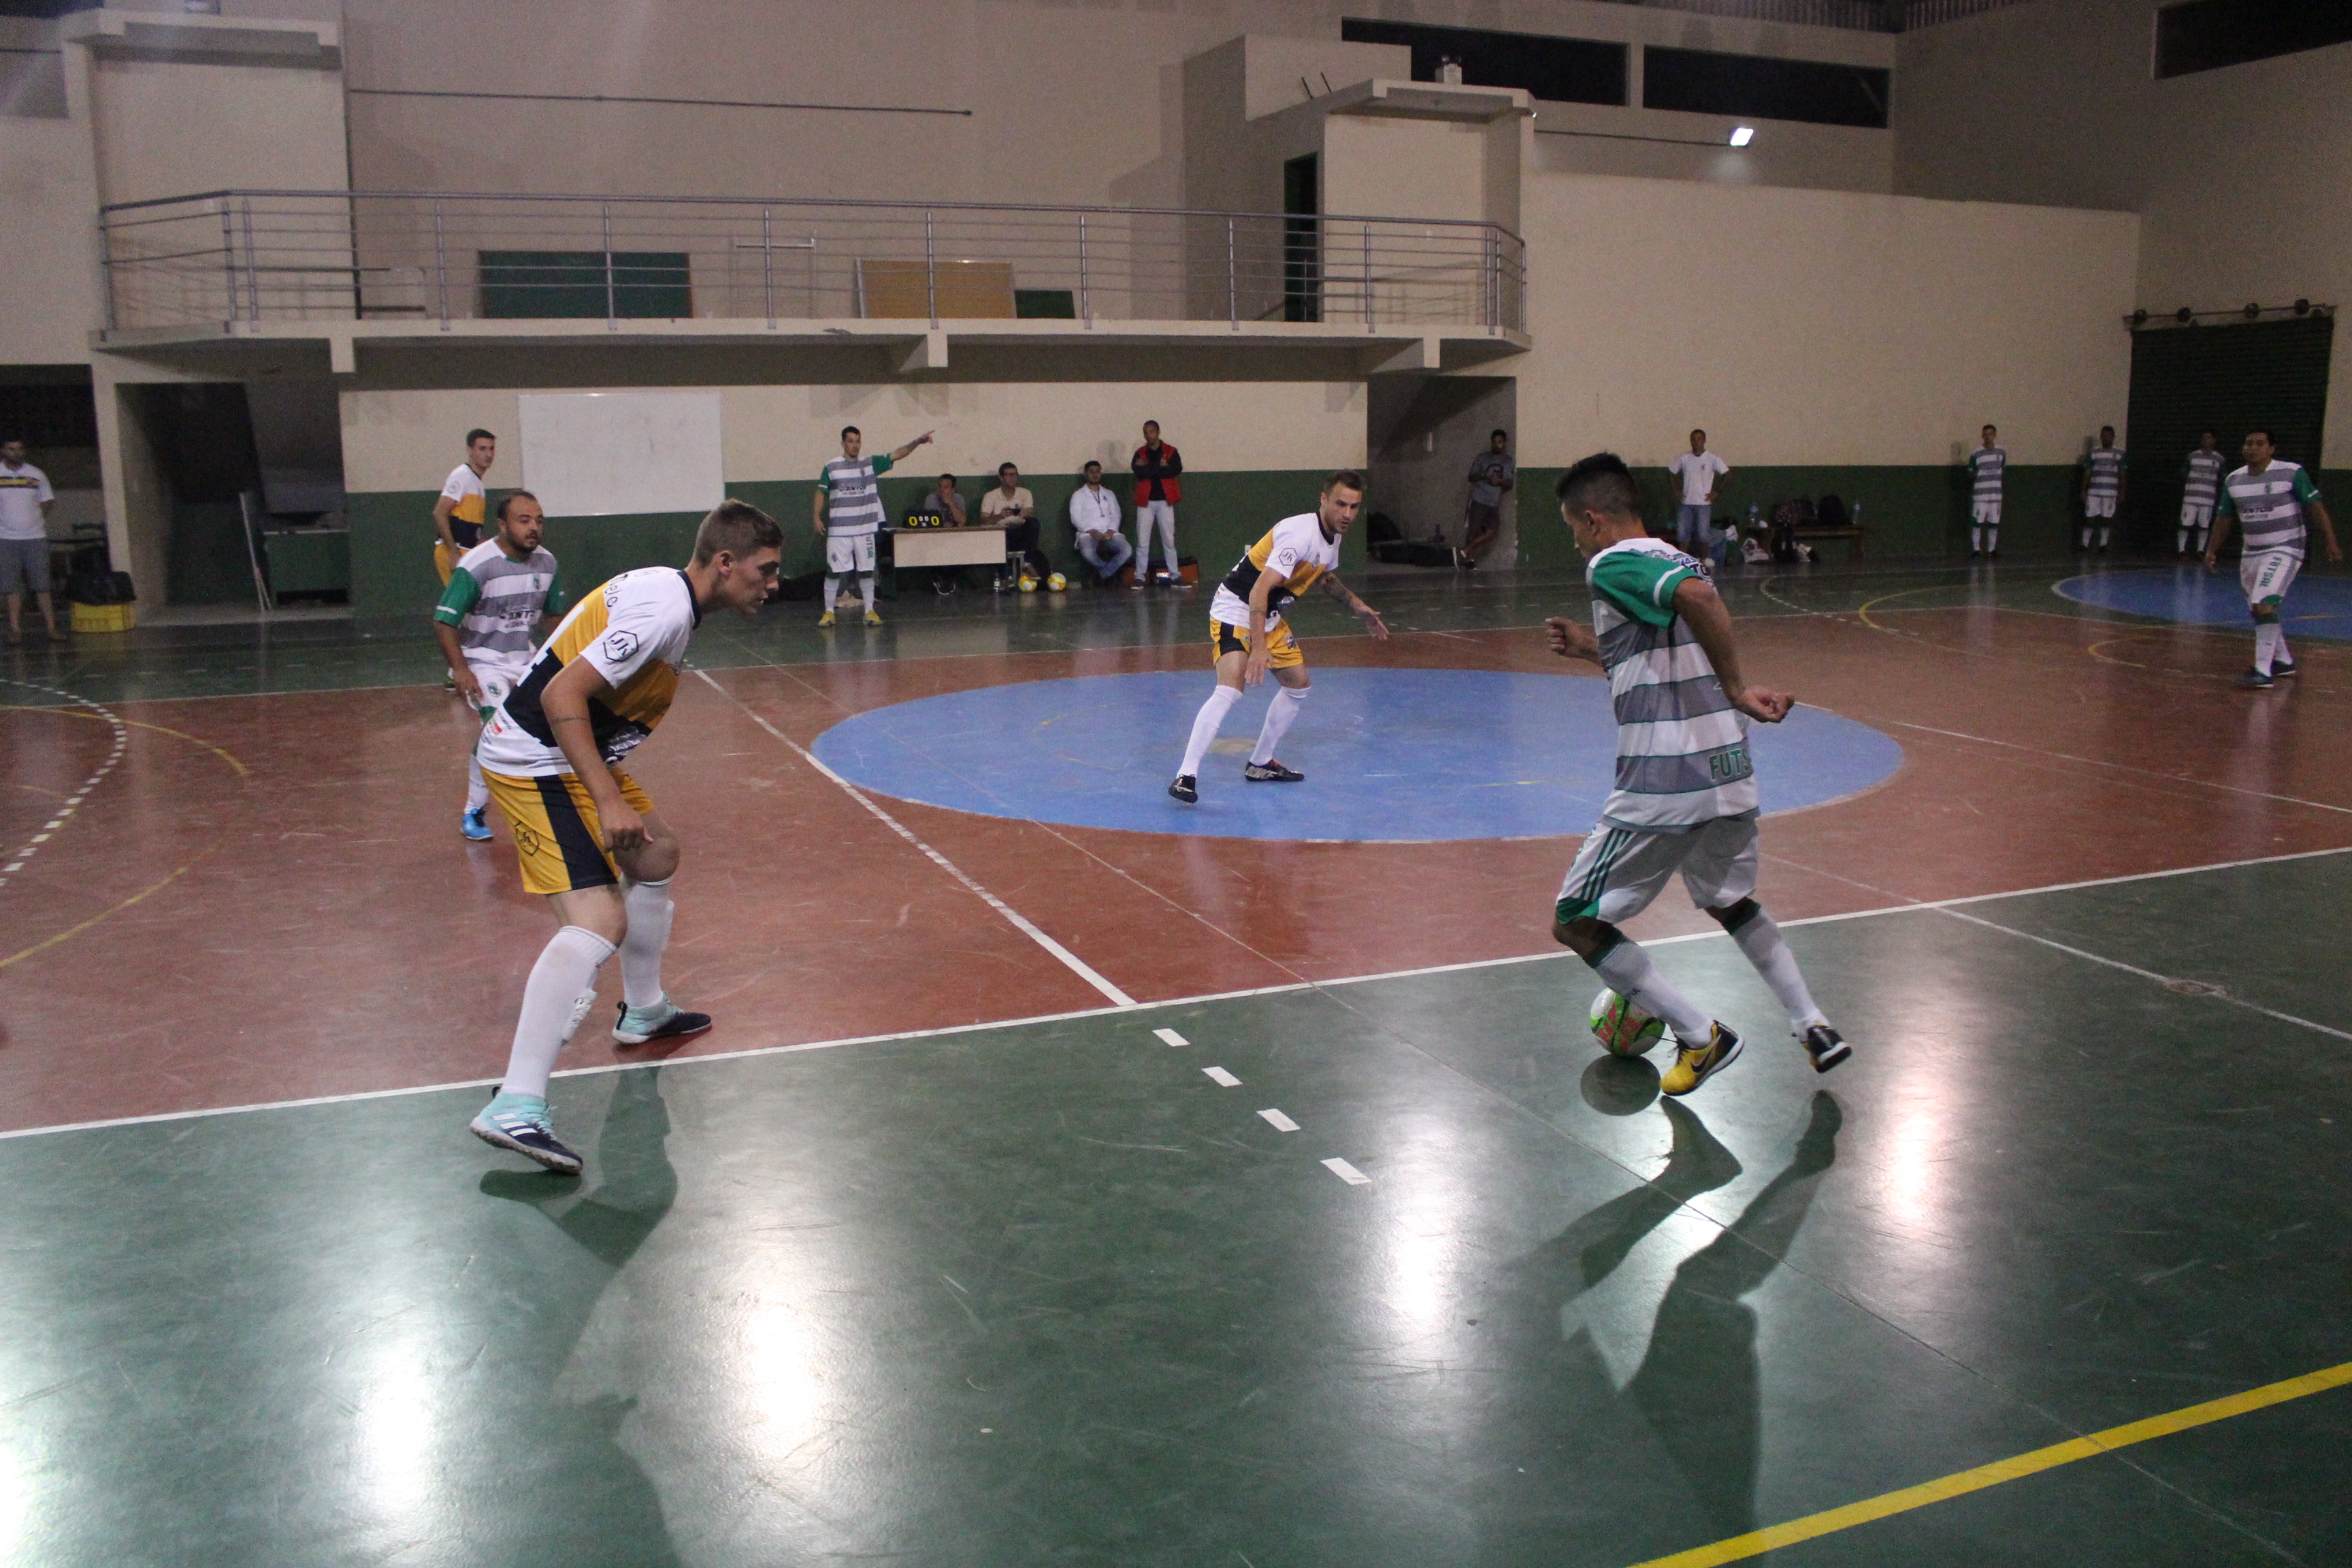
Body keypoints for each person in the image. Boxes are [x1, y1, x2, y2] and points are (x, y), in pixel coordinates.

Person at [469, 499, 784, 1175]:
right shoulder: (664, 609)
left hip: (567, 756)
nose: (773, 582)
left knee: (658, 853)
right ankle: (517, 1102)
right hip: (535, 759)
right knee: (598, 919)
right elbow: (561, 697)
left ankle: (642, 1013)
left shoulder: (671, 596)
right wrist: (608, 799)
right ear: (725, 563)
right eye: (765, 569)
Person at [1542, 452, 1850, 1096]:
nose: (1576, 542)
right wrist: (1589, 648)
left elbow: (1699, 602)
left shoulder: (1613, 562)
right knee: (1728, 899)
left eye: (1574, 528)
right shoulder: (1678, 555)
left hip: (1665, 782)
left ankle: (1699, 1034)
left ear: (1594, 520)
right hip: (1727, 770)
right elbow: (1664, 647)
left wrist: (1736, 687)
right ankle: (1813, 1022)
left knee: (1575, 919)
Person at [1169, 470, 1387, 803]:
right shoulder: (1299, 535)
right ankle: (1186, 775)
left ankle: (1260, 763)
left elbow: (1324, 578)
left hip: (1267, 615)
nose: (1347, 514)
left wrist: (1360, 608)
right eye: (1341, 504)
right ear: (1324, 500)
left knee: (1298, 685)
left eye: (1354, 507)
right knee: (1230, 688)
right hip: (1237, 608)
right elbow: (1259, 590)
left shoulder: (1333, 536)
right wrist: (1258, 648)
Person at [431, 491, 566, 842]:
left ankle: (555, 807)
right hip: (482, 662)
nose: (533, 527)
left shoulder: (547, 564)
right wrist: (461, 670)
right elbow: (444, 622)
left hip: (524, 660)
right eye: (524, 520)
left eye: (538, 520)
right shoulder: (476, 565)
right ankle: (475, 811)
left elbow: (553, 618)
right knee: (499, 729)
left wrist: (567, 661)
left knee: (554, 726)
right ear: (502, 525)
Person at [2204, 427, 2342, 689]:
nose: (2252, 448)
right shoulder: (2234, 480)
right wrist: (2212, 549)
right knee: (2258, 609)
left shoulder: (2291, 472)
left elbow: (2316, 507)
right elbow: (2224, 518)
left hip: (2285, 547)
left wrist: (2331, 541)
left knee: (2264, 603)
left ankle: (2262, 672)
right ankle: (2283, 661)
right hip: (2252, 551)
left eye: (2259, 443)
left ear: (2271, 449)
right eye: (2248, 443)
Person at [815, 424, 932, 627]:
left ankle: (869, 611)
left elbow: (897, 454)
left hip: (864, 530)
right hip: (839, 532)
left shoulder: (870, 464)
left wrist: (917, 442)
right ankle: (828, 612)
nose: (855, 445)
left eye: (858, 441)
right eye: (851, 441)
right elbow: (821, 492)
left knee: (866, 570)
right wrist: (816, 516)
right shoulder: (831, 467)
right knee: (833, 571)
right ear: (843, 443)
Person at [0, 437, 60, 645]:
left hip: (35, 538)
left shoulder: (36, 474)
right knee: (12, 587)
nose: (16, 453)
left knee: (42, 585)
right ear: (3, 450)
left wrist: (37, 518)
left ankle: (52, 627)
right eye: (11, 449)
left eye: (20, 449)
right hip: (6, 539)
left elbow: (47, 500)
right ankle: (15, 629)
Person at [434, 429, 496, 588]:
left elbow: (471, 529)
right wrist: (453, 553)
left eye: (491, 448)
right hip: (455, 553)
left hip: (467, 553)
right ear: (470, 450)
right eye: (482, 449)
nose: (489, 454)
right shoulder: (462, 476)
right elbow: (440, 513)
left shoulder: (476, 483)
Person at [981, 462, 1051, 585]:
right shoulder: (991, 496)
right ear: (1001, 478)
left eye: (1014, 475)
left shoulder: (1025, 493)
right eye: (1008, 475)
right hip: (1001, 535)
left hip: (1021, 533)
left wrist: (1024, 513)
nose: (1012, 478)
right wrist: (1000, 516)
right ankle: (1005, 577)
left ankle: (1027, 564)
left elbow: (1030, 510)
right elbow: (984, 519)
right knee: (1000, 533)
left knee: (1034, 522)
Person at [1131, 420, 1182, 587]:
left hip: (1165, 502)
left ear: (1158, 432)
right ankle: (1139, 577)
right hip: (1145, 503)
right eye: (1145, 432)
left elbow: (1176, 470)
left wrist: (1149, 467)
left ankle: (1175, 576)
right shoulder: (1139, 453)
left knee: (1169, 541)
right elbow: (1139, 473)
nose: (1148, 435)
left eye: (1151, 432)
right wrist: (1161, 468)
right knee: (1142, 542)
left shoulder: (1171, 451)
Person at [1666, 429, 1729, 559]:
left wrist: (1717, 491)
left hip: (1703, 504)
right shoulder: (1684, 458)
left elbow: (1728, 475)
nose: (1696, 442)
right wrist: (1676, 490)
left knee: (1703, 535)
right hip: (1686, 503)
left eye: (1699, 439)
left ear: (1704, 441)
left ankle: (1705, 560)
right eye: (1693, 439)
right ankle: (1681, 560)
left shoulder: (1712, 458)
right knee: (1683, 535)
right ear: (1690, 441)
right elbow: (1671, 472)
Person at [1069, 459, 1132, 585]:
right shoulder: (1079, 495)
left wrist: (1111, 531)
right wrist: (1092, 532)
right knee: (1087, 552)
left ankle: (1103, 574)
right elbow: (1075, 518)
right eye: (1091, 472)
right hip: (1088, 533)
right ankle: (1110, 573)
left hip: (1109, 532)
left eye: (1097, 471)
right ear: (1085, 474)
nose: (1095, 475)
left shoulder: (1109, 494)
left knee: (1127, 550)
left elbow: (1116, 514)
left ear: (1101, 473)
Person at [1459, 428, 1515, 569]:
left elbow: (1509, 484)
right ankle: (1467, 561)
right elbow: (1471, 477)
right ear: (1491, 443)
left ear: (1504, 443)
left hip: (1494, 502)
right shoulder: (1482, 458)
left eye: (1500, 442)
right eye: (1495, 442)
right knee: (1474, 530)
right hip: (1479, 500)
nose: (1497, 445)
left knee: (1492, 531)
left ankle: (1465, 551)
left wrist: (1500, 482)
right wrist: (1485, 475)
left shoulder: (1508, 461)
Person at [917, 473, 967, 596]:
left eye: (946, 487)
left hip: (955, 538)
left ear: (953, 489)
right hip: (935, 538)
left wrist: (950, 503)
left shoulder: (958, 499)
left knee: (966, 550)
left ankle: (946, 579)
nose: (941, 490)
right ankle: (942, 579)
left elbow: (962, 521)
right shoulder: (931, 499)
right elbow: (929, 523)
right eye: (940, 486)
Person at [2078, 426, 2125, 553]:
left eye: (2109, 436)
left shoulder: (2120, 453)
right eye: (2103, 436)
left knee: (2107, 519)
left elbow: (2122, 473)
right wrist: (2084, 490)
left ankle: (2103, 545)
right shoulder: (2093, 453)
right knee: (2090, 518)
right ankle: (2084, 545)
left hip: (2110, 492)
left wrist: (2121, 491)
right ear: (2101, 437)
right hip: (2094, 491)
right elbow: (2087, 472)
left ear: (2113, 437)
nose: (2106, 438)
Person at [2179, 431, 2225, 557]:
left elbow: (2222, 478)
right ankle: (2182, 550)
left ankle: (2200, 550)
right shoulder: (2192, 457)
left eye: (2209, 438)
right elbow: (2184, 473)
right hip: (2190, 498)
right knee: (2185, 524)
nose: (2206, 440)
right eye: (2204, 438)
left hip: (2208, 498)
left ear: (2214, 440)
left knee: (2204, 525)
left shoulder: (2219, 459)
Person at [1967, 424, 2006, 558]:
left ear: (1995, 435)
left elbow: (2002, 467)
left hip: (1995, 495)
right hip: (1980, 495)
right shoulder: (1976, 453)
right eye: (1985, 434)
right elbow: (1970, 472)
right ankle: (1976, 549)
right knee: (1977, 523)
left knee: (1994, 524)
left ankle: (1992, 550)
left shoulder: (2001, 452)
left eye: (1990, 433)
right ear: (1982, 435)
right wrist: (1977, 473)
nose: (1988, 436)